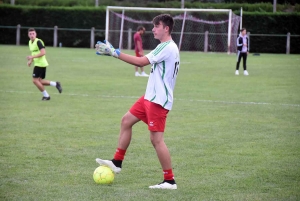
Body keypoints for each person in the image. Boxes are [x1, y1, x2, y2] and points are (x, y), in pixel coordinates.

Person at [95, 14, 180, 190]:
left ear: (166, 28)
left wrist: (115, 53)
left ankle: (169, 181)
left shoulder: (168, 47)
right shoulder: (164, 46)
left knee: (156, 140)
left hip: (158, 100)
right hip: (149, 97)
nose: (153, 29)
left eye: (157, 26)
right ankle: (117, 162)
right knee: (126, 121)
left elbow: (142, 61)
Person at [27, 28, 62, 100]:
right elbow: (34, 52)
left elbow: (43, 52)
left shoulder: (38, 42)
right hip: (39, 64)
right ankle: (56, 84)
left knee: (35, 81)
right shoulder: (30, 42)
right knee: (39, 81)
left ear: (36, 34)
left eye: (33, 33)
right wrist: (31, 60)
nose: (32, 35)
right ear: (28, 35)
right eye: (30, 34)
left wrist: (32, 57)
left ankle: (46, 96)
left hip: (40, 64)